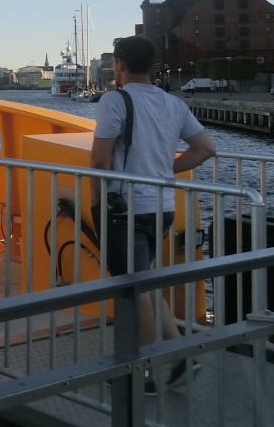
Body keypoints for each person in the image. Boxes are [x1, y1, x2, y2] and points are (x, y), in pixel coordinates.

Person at [90, 36, 216, 389]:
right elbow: (205, 148)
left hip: (125, 210)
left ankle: (140, 373)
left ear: (119, 64)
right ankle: (178, 357)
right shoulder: (172, 103)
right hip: (162, 208)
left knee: (133, 289)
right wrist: (162, 170)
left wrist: (96, 204)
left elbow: (99, 161)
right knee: (143, 284)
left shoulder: (115, 100)